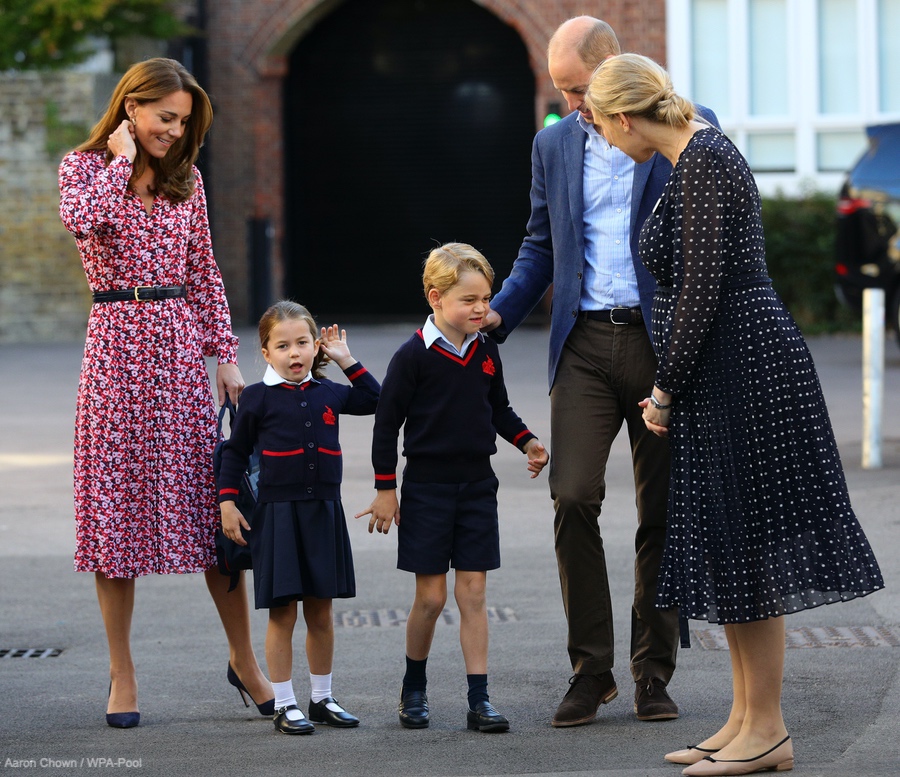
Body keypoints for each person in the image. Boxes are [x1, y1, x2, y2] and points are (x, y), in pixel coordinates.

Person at [585, 53, 884, 775]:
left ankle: (769, 729)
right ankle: (747, 719)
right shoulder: (693, 156)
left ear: (625, 116)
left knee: (748, 544)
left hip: (743, 366)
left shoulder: (706, 157)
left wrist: (662, 391)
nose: (602, 138)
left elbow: (700, 290)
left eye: (599, 124)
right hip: (727, 367)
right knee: (734, 544)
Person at [482, 16, 719, 727]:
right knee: (574, 494)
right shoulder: (553, 141)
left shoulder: (687, 128)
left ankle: (653, 670)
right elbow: (538, 242)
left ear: (615, 66)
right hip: (582, 341)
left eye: (579, 88)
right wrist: (496, 312)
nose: (572, 103)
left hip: (660, 344)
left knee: (664, 511)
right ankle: (591, 669)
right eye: (560, 90)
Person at [58, 57, 273, 728]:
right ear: (130, 108)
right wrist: (121, 161)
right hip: (115, 347)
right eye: (164, 117)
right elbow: (80, 220)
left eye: (183, 122)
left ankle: (246, 659)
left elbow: (204, 270)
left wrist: (227, 357)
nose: (174, 132)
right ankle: (123, 673)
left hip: (178, 350)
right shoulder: (85, 168)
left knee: (216, 515)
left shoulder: (189, 181)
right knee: (113, 521)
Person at [356, 243, 549, 733]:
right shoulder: (412, 356)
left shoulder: (486, 350)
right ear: (436, 298)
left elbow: (498, 408)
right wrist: (385, 489)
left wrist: (526, 441)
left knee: (474, 593)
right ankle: (413, 688)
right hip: (426, 488)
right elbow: (386, 424)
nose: (482, 308)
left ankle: (479, 699)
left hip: (478, 487)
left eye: (486, 298)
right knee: (430, 599)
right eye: (470, 300)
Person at [218, 301, 380, 735]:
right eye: (283, 345)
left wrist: (346, 359)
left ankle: (323, 697)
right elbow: (233, 454)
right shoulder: (256, 397)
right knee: (282, 614)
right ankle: (284, 703)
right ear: (266, 353)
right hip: (278, 517)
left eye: (303, 343)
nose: (295, 353)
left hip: (323, 512)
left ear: (316, 347)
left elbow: (377, 399)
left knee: (322, 612)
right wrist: (227, 503)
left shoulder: (330, 392)